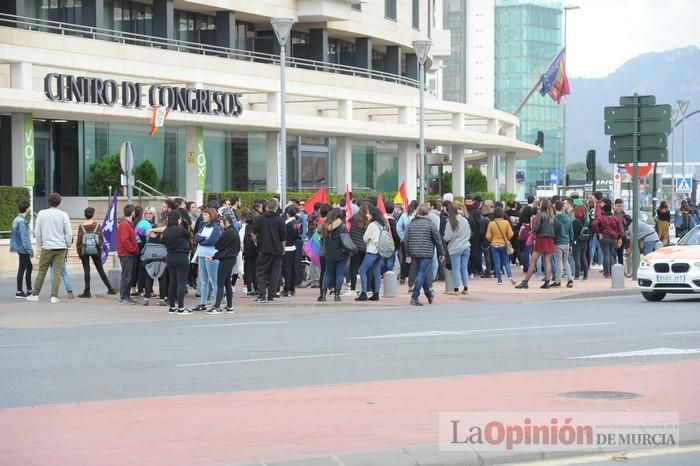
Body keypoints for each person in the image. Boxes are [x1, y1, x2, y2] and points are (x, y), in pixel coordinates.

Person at [27, 193, 72, 304]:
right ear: (59, 202)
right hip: (60, 247)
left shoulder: (42, 213)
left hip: (46, 246)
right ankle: (54, 296)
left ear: (49, 202)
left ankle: (35, 294)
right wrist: (67, 245)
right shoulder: (63, 215)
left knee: (42, 271)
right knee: (57, 271)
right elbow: (69, 233)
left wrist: (39, 244)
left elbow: (37, 232)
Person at [404, 204, 446, 306]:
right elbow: (438, 239)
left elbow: (406, 240)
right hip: (426, 253)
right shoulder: (430, 224)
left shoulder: (411, 224)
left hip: (414, 252)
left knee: (421, 273)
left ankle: (428, 295)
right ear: (428, 214)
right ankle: (415, 296)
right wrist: (441, 253)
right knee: (421, 273)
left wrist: (407, 254)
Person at [515, 199, 556, 289]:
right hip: (549, 239)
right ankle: (547, 282)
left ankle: (525, 281)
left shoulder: (540, 214)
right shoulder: (552, 215)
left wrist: (533, 230)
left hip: (541, 238)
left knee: (533, 261)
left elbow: (537, 227)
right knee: (547, 261)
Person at [76, 207, 116, 297]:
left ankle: (87, 291)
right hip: (96, 250)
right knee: (100, 270)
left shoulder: (81, 226)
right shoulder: (97, 226)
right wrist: (99, 250)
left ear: (85, 215)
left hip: (84, 250)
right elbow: (101, 239)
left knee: (87, 270)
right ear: (93, 215)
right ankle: (110, 288)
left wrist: (79, 252)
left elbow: (79, 240)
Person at [252, 199, 286, 304]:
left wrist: (257, 242)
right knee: (275, 273)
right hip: (277, 250)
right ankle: (271, 295)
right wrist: (283, 248)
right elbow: (283, 237)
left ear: (266, 207)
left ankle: (262, 295)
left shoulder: (260, 219)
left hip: (264, 249)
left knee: (261, 272)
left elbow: (253, 233)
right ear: (276, 208)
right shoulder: (280, 220)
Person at [161, 211, 192, 315]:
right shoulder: (180, 229)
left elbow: (163, 242)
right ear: (178, 219)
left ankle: (172, 307)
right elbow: (188, 235)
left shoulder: (166, 231)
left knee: (172, 283)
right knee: (181, 283)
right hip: (181, 257)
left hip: (170, 256)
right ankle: (181, 308)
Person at [318, 208, 349, 302]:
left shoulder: (324, 226)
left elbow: (320, 236)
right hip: (341, 253)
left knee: (327, 273)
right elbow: (346, 240)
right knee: (339, 274)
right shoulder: (342, 227)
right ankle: (337, 295)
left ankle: (323, 295)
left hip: (328, 253)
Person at [193, 208, 222, 311]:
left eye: (206, 215)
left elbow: (212, 241)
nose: (203, 217)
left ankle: (216, 303)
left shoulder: (216, 228)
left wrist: (202, 239)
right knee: (204, 280)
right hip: (201, 254)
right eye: (203, 215)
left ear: (211, 216)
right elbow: (196, 236)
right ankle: (203, 303)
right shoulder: (203, 226)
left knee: (213, 280)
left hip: (211, 255)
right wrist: (203, 239)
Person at [210, 214, 239, 314]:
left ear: (226, 222)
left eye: (222, 222)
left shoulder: (228, 232)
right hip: (231, 258)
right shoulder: (234, 231)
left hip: (226, 259)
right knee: (227, 282)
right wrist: (215, 256)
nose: (220, 224)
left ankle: (217, 306)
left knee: (220, 282)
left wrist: (215, 255)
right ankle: (229, 306)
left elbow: (218, 245)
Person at [356, 206, 385, 301]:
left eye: (368, 213)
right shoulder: (382, 224)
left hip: (372, 251)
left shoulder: (372, 225)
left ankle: (364, 292)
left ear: (373, 215)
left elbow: (365, 238)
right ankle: (376, 293)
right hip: (380, 251)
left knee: (362, 270)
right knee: (377, 272)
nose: (367, 215)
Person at [443, 201, 471, 295]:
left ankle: (456, 288)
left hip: (455, 247)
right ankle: (466, 287)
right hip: (466, 246)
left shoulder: (450, 222)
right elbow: (469, 233)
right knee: (464, 267)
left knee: (456, 268)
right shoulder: (465, 220)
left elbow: (447, 237)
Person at [591, 201, 624, 279]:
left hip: (604, 237)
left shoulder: (601, 217)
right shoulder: (615, 218)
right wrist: (619, 237)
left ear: (603, 210)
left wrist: (598, 232)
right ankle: (613, 273)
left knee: (606, 255)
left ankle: (607, 273)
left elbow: (594, 224)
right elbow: (620, 229)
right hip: (613, 238)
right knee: (612, 255)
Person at [485, 206, 515, 285]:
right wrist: (506, 238)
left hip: (494, 245)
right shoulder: (506, 223)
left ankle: (499, 280)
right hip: (504, 244)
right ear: (502, 214)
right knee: (506, 262)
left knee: (497, 263)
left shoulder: (491, 224)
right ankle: (510, 277)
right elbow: (511, 234)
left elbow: (488, 236)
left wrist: (492, 239)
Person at [117, 204, 139, 305]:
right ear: (132, 212)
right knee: (126, 276)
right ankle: (123, 297)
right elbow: (125, 240)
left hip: (128, 253)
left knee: (128, 275)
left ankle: (127, 296)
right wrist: (133, 249)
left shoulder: (127, 224)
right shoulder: (125, 224)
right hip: (126, 254)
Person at [11, 200, 33, 298]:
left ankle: (29, 290)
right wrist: (29, 250)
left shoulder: (16, 219)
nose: (29, 209)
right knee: (22, 269)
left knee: (29, 267)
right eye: (29, 207)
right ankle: (19, 291)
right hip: (23, 248)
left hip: (19, 247)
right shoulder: (22, 221)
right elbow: (25, 238)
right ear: (26, 209)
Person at [553, 200, 574, 288]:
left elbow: (553, 231)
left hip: (557, 242)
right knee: (566, 262)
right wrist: (571, 243)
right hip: (567, 242)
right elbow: (571, 232)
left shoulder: (554, 219)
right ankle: (570, 279)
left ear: (555, 208)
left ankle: (558, 281)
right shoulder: (568, 218)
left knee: (558, 262)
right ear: (563, 208)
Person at [282, 205, 301, 297]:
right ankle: (292, 289)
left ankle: (287, 289)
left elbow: (283, 236)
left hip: (286, 247)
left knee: (286, 270)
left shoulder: (286, 223)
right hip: (293, 246)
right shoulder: (296, 222)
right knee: (292, 269)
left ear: (287, 214)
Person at [571, 206, 589, 281]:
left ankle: (577, 275)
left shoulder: (575, 222)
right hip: (584, 241)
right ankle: (585, 275)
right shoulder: (585, 221)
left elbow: (573, 233)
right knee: (583, 258)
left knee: (577, 259)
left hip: (577, 242)